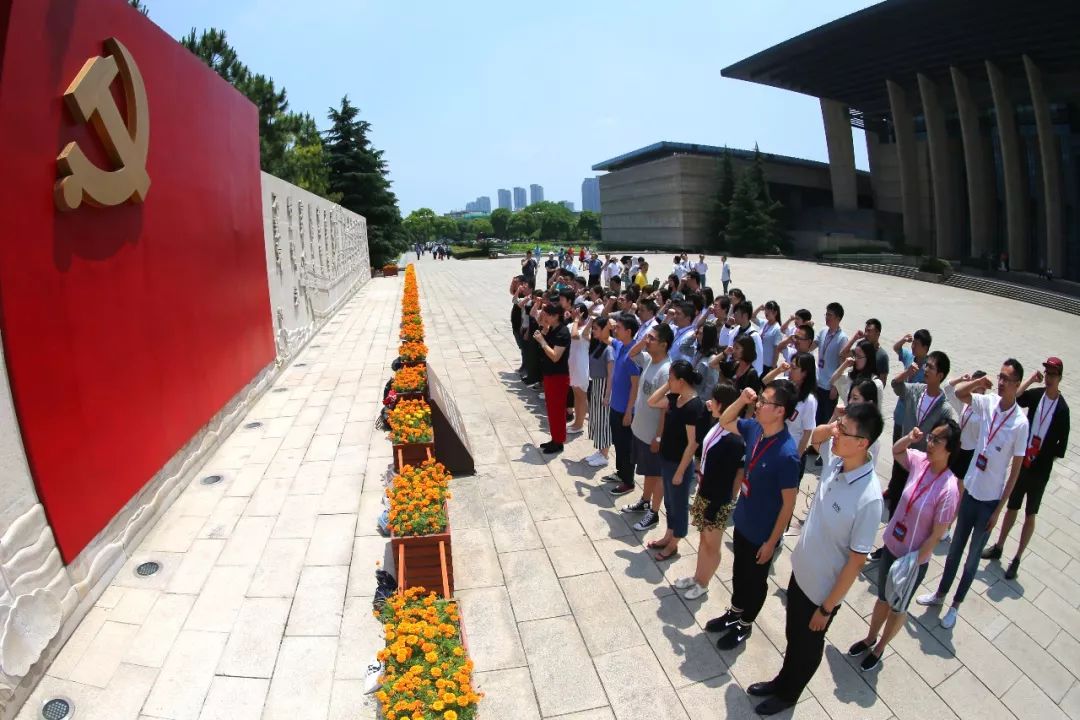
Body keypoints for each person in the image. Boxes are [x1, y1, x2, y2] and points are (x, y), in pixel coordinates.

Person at [745, 403, 883, 716]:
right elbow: (813, 438)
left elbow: (857, 562)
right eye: (839, 427)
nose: (836, 434)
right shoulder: (837, 461)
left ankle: (788, 694)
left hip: (821, 593)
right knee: (793, 638)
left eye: (844, 431)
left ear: (863, 443)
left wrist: (827, 607)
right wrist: (835, 426)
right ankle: (781, 680)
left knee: (806, 648)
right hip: (801, 574)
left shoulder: (869, 498)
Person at [917, 359, 1029, 629]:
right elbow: (958, 393)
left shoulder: (1020, 423)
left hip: (989, 501)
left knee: (971, 559)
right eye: (1000, 376)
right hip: (969, 491)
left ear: (1017, 384)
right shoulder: (989, 402)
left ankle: (955, 606)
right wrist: (978, 382)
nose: (1001, 382)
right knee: (954, 550)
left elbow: (1015, 472)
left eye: (1007, 379)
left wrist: (999, 510)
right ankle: (940, 593)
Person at [848, 419, 960, 672]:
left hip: (911, 560)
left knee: (897, 607)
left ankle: (880, 647)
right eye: (930, 437)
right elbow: (897, 451)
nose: (930, 443)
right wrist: (910, 437)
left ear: (950, 448)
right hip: (892, 545)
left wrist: (913, 562)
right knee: (882, 598)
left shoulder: (949, 489)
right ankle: (870, 637)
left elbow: (937, 535)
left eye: (937, 440)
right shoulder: (920, 461)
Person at [705, 381, 801, 652]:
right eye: (759, 399)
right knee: (739, 572)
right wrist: (741, 400)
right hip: (744, 520)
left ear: (780, 411)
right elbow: (725, 421)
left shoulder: (787, 455)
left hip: (763, 533)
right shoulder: (755, 428)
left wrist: (772, 542)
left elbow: (788, 505)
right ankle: (735, 612)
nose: (758, 405)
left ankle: (745, 624)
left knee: (755, 582)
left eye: (764, 402)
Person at [982, 357, 1070, 578]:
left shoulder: (1062, 409)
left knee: (1030, 513)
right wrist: (1030, 379)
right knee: (1012, 507)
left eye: (1053, 375)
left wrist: (1042, 456)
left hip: (1040, 472)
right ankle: (999, 546)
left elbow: (1061, 448)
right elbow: (1016, 397)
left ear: (1060, 378)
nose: (1049, 378)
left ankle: (1017, 558)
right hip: (1023, 464)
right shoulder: (1037, 395)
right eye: (1047, 373)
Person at [674, 382, 745, 600]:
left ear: (722, 404)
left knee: (712, 544)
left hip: (718, 499)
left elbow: (736, 475)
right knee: (703, 539)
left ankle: (704, 583)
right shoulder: (718, 424)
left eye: (713, 400)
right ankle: (698, 576)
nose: (709, 402)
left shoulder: (734, 439)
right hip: (704, 491)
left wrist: (724, 502)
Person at [644, 360, 705, 561]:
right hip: (667, 459)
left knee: (679, 505)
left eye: (671, 378)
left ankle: (674, 543)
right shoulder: (674, 398)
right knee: (669, 502)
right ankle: (668, 535)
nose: (668, 382)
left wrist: (680, 472)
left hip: (679, 465)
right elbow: (651, 401)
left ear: (682, 381)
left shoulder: (693, 406)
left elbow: (692, 444)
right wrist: (668, 385)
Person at [622, 323, 674, 526]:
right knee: (648, 472)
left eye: (652, 338)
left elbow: (665, 409)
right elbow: (631, 354)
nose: (647, 341)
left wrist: (659, 437)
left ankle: (654, 513)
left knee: (657, 474)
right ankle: (645, 501)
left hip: (653, 435)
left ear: (664, 344)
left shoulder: (666, 371)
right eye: (647, 337)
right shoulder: (649, 359)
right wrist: (644, 341)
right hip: (641, 430)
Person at [763, 352, 818, 477]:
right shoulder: (784, 384)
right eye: (790, 366)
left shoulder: (809, 401)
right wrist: (779, 369)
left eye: (794, 368)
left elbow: (807, 432)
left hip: (790, 451)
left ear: (804, 373)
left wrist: (796, 458)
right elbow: (765, 381)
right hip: (773, 445)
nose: (790, 370)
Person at [605, 314, 642, 495]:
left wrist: (629, 411)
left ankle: (628, 481)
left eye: (619, 327)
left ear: (628, 331)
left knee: (626, 447)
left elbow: (635, 386)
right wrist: (608, 323)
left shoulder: (633, 355)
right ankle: (620, 473)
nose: (615, 329)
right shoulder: (620, 345)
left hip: (625, 410)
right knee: (618, 444)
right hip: (615, 406)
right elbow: (605, 337)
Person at [534, 304, 571, 454]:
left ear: (556, 316)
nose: (545, 317)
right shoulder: (552, 329)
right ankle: (555, 438)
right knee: (551, 409)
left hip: (558, 376)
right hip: (549, 374)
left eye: (547, 315)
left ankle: (559, 441)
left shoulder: (563, 332)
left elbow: (555, 356)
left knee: (557, 410)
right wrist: (543, 330)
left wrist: (542, 341)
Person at [583, 314, 615, 468]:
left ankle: (605, 454)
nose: (593, 331)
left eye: (596, 328)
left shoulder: (609, 349)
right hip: (595, 384)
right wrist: (591, 321)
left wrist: (607, 395)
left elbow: (611, 375)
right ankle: (600, 450)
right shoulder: (598, 345)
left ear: (604, 330)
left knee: (604, 421)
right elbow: (584, 334)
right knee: (596, 418)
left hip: (603, 386)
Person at [945, 370, 988, 480]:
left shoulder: (986, 408)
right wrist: (960, 379)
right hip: (956, 446)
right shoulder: (964, 403)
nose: (972, 386)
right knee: (947, 476)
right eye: (972, 382)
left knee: (961, 481)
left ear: (983, 388)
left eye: (977, 384)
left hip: (971, 451)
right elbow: (948, 389)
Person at [813, 302, 849, 425]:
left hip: (829, 387)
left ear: (838, 318)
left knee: (826, 419)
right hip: (818, 382)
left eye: (830, 315)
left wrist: (835, 387)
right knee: (816, 417)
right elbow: (811, 346)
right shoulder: (823, 331)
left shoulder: (842, 338)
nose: (827, 317)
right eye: (826, 314)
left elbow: (842, 364)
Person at [829, 339, 883, 407]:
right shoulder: (850, 376)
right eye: (854, 355)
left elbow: (877, 409)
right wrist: (844, 365)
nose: (855, 359)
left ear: (868, 358)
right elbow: (832, 381)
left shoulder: (876, 383)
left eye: (859, 356)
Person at [839, 319, 889, 384]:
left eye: (869, 331)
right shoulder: (861, 347)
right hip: (853, 386)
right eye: (865, 331)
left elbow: (882, 382)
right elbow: (843, 355)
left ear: (878, 333)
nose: (865, 334)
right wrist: (854, 338)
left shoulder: (882, 356)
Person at [567, 305, 592, 436]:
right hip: (572, 364)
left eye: (576, 311)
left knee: (581, 396)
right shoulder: (571, 325)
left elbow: (575, 336)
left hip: (582, 365)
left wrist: (576, 320)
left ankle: (579, 424)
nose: (573, 313)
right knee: (576, 395)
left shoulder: (588, 328)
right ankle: (577, 421)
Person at [752, 301, 784, 374]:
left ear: (775, 313)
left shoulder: (777, 329)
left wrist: (773, 367)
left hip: (767, 364)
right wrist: (759, 309)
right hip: (758, 361)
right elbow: (752, 317)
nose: (766, 312)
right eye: (766, 310)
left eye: (769, 311)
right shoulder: (764, 322)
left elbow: (776, 350)